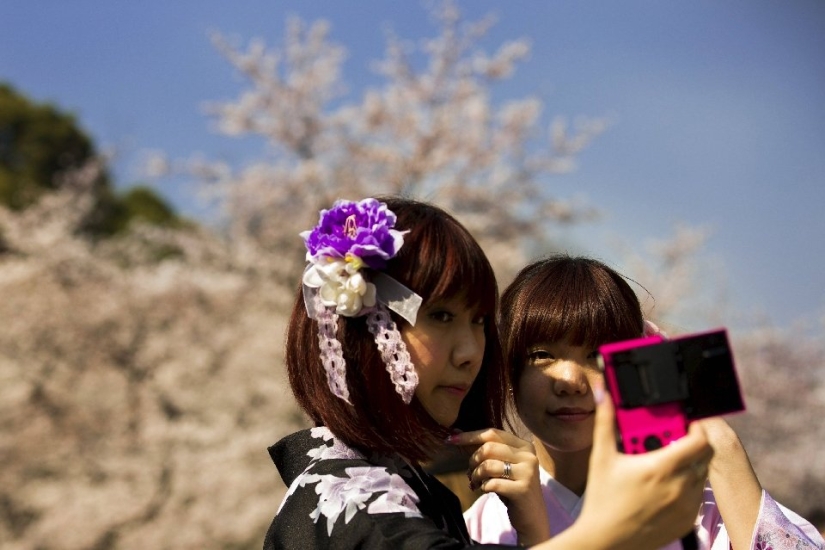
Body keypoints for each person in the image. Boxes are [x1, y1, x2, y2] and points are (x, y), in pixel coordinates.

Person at [262, 199, 714, 550]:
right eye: (440, 316)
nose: (471, 353)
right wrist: (607, 529)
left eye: (479, 322)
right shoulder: (352, 502)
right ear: (359, 322)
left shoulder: (409, 488)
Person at [464, 254, 825, 550]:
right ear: (509, 375)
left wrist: (720, 443)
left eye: (597, 355)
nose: (571, 382)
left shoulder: (702, 508)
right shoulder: (481, 523)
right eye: (542, 355)